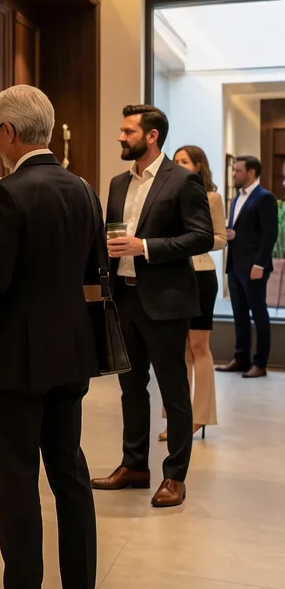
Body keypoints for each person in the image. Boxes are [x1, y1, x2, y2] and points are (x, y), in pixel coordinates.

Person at [0, 84, 100, 589]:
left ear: (9, 133)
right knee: (70, 474)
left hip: (15, 361)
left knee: (16, 481)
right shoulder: (83, 190)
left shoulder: (6, 194)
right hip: (70, 353)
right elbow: (90, 269)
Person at [91, 105, 213, 508]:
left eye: (128, 131)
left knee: (174, 391)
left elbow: (201, 237)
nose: (121, 137)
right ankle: (135, 465)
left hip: (166, 302)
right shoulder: (116, 183)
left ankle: (175, 475)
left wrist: (145, 248)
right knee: (130, 388)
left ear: (152, 136)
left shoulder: (183, 181)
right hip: (124, 298)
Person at [157, 146, 226, 441]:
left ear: (199, 166)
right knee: (178, 350)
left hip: (201, 276)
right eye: (177, 161)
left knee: (199, 347)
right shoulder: (170, 195)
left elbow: (221, 238)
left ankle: (200, 417)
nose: (179, 165)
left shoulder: (212, 198)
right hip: (174, 275)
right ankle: (177, 419)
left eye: (185, 161)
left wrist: (189, 242)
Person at [217, 155, 278, 378]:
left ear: (251, 172)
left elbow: (270, 234)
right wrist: (232, 233)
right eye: (234, 170)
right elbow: (246, 230)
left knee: (259, 314)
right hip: (234, 266)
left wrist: (259, 264)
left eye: (238, 170)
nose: (233, 174)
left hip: (254, 267)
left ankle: (260, 364)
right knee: (239, 314)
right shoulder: (236, 199)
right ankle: (241, 359)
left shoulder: (264, 198)